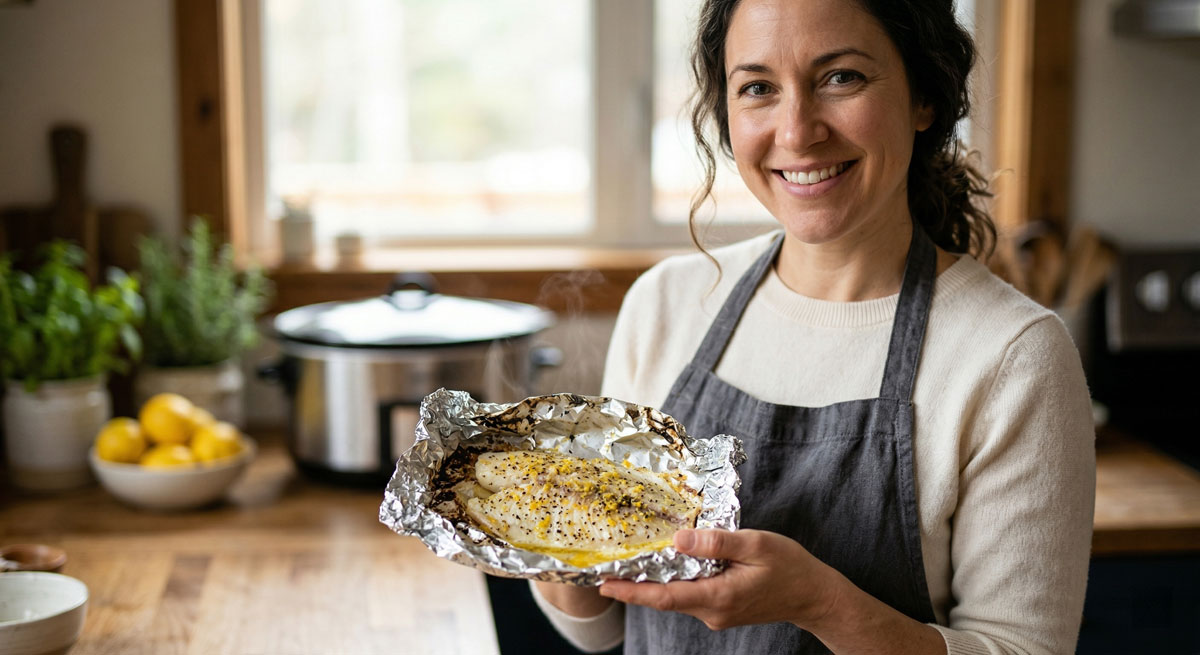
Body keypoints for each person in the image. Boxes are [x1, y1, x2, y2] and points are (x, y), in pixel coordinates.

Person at [531, 0, 1096, 653]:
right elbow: (602, 628)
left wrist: (818, 603)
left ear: (924, 97)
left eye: (842, 78)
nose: (797, 132)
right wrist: (562, 555)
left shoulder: (1012, 355)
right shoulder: (667, 303)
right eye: (759, 88)